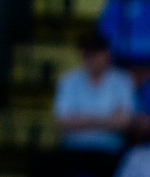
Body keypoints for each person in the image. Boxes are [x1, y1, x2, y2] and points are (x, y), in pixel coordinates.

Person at [51, 29, 131, 158]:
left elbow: (125, 122)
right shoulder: (69, 80)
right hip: (74, 148)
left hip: (110, 150)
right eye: (87, 54)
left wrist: (82, 119)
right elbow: (63, 120)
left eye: (95, 54)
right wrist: (107, 120)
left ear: (106, 54)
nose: (91, 58)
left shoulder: (122, 80)